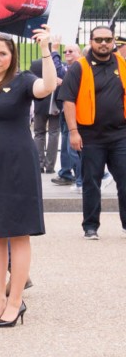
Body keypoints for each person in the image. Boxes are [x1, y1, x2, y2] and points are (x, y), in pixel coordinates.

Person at [0, 28, 56, 328]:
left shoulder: (22, 81)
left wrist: (45, 49)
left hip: (18, 165)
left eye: (2, 53)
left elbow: (47, 86)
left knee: (18, 234)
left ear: (11, 56)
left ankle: (16, 302)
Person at [60, 26, 126, 240]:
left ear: (114, 41)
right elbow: (68, 100)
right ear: (91, 41)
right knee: (91, 182)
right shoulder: (79, 67)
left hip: (120, 135)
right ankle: (90, 227)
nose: (104, 43)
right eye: (99, 39)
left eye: (108, 39)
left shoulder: (122, 64)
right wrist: (73, 132)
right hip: (90, 136)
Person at [30, 42, 65, 173]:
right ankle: (50, 165)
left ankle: (39, 163)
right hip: (55, 102)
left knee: (39, 133)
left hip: (40, 102)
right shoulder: (59, 64)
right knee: (54, 133)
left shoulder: (36, 64)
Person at [52, 44, 82, 188]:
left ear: (79, 53)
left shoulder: (79, 67)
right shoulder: (68, 68)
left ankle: (83, 179)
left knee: (73, 149)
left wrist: (54, 51)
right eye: (65, 52)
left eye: (71, 51)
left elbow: (59, 72)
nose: (67, 53)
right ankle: (66, 173)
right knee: (65, 146)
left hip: (75, 113)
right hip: (64, 111)